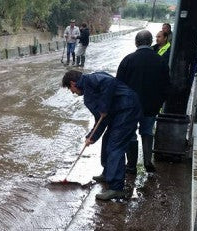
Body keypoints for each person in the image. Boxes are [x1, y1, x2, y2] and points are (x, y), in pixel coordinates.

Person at [62, 70, 142, 200]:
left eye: (70, 89)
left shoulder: (92, 79)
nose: (72, 92)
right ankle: (107, 173)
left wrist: (104, 107)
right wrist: (91, 137)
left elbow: (110, 82)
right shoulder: (89, 90)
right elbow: (101, 120)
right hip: (120, 112)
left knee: (115, 147)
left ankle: (116, 188)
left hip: (127, 110)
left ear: (73, 83)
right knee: (107, 140)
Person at [117, 30, 171, 173]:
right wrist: (159, 102)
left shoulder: (128, 60)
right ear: (150, 42)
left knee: (131, 133)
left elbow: (118, 85)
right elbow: (167, 86)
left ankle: (132, 165)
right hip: (152, 106)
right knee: (147, 131)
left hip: (130, 107)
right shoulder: (160, 61)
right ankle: (147, 160)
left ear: (136, 42)